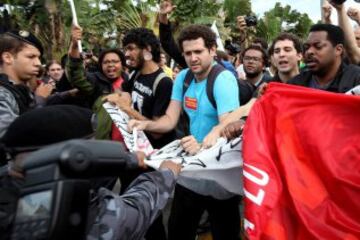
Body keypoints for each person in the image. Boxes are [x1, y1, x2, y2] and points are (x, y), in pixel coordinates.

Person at [0, 105, 182, 240]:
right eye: (89, 150)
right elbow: (137, 209)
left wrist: (131, 159)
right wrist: (165, 175)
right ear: (71, 157)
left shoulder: (9, 179)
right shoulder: (81, 209)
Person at [128, 24, 241, 240]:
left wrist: (203, 144)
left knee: (225, 232)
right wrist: (145, 125)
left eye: (198, 51)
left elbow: (227, 127)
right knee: (178, 229)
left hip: (219, 172)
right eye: (188, 53)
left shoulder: (223, 79)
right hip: (191, 168)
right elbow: (170, 120)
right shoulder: (183, 78)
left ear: (211, 50)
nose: (193, 58)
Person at [203, 32, 303, 144]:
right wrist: (218, 129)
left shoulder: (312, 83)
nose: (281, 54)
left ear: (299, 55)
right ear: (272, 58)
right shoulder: (267, 86)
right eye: (277, 51)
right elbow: (248, 107)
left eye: (287, 50)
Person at [67, 25, 129, 140]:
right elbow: (75, 75)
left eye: (115, 61)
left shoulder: (130, 82)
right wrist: (75, 45)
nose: (110, 65)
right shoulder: (95, 81)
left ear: (122, 64)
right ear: (101, 66)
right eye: (106, 62)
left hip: (129, 146)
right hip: (105, 145)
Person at [288, 23, 360, 92]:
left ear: (338, 50)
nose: (309, 52)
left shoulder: (356, 80)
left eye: (318, 46)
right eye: (307, 47)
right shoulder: (295, 85)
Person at [0, 30, 42, 137]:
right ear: (8, 58)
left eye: (38, 58)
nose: (38, 63)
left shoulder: (21, 91)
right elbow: (11, 138)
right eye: (31, 57)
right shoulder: (2, 94)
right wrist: (40, 102)